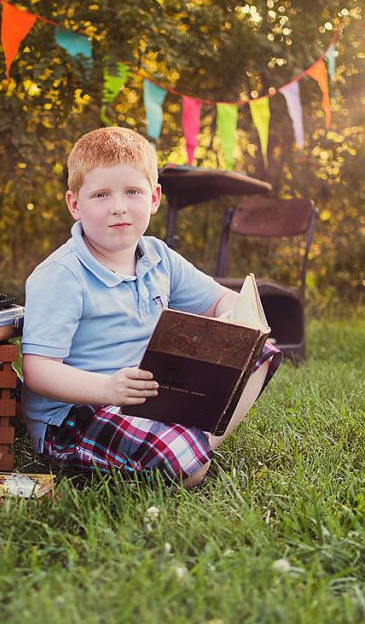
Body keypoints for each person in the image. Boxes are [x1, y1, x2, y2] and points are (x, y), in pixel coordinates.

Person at [21, 127, 281, 488]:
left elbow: (225, 299)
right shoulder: (62, 275)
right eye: (100, 195)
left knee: (260, 351)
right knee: (182, 467)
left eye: (132, 192)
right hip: (76, 414)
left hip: (143, 396)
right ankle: (188, 455)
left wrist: (228, 322)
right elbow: (38, 372)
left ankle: (195, 446)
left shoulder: (158, 256)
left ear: (154, 197)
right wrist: (108, 389)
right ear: (75, 205)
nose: (118, 206)